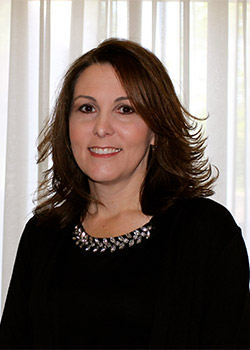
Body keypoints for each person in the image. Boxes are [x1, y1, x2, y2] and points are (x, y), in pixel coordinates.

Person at [0, 38, 249, 349]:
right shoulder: (42, 234)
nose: (101, 128)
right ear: (68, 126)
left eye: (125, 109)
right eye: (87, 108)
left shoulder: (206, 232)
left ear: (156, 129)